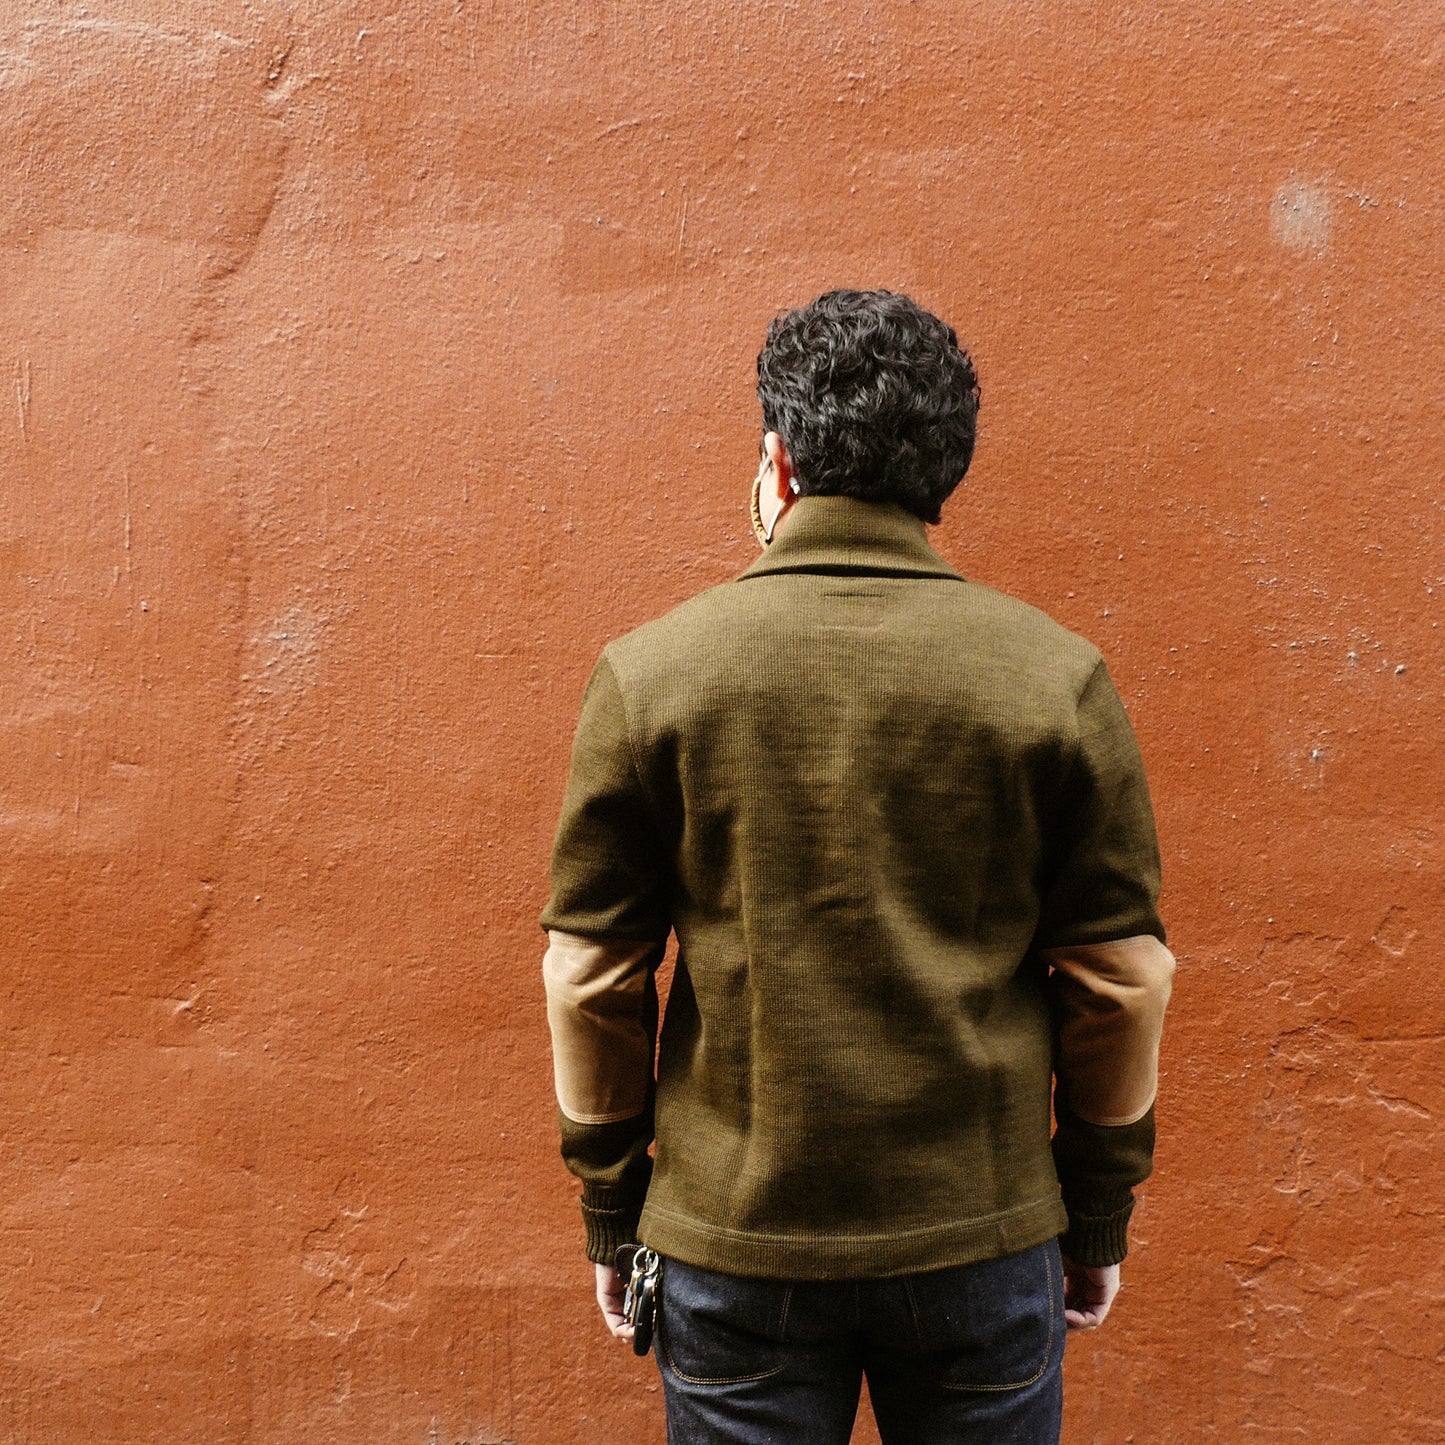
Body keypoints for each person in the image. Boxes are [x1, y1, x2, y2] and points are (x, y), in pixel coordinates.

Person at [541, 289, 1174, 1444]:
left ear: (777, 464)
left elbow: (590, 973)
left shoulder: (653, 676)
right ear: (939, 475)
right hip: (982, 1233)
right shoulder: (1053, 679)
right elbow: (1119, 977)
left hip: (732, 1240)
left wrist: (611, 1204)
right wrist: (1093, 1209)